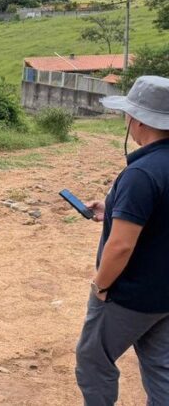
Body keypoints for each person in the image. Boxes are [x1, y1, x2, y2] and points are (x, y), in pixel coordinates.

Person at [75, 75, 169, 406]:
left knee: (93, 360)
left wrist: (100, 286)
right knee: (161, 367)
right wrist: (114, 209)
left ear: (139, 121)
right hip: (164, 295)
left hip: (131, 295)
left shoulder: (141, 174)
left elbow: (121, 246)